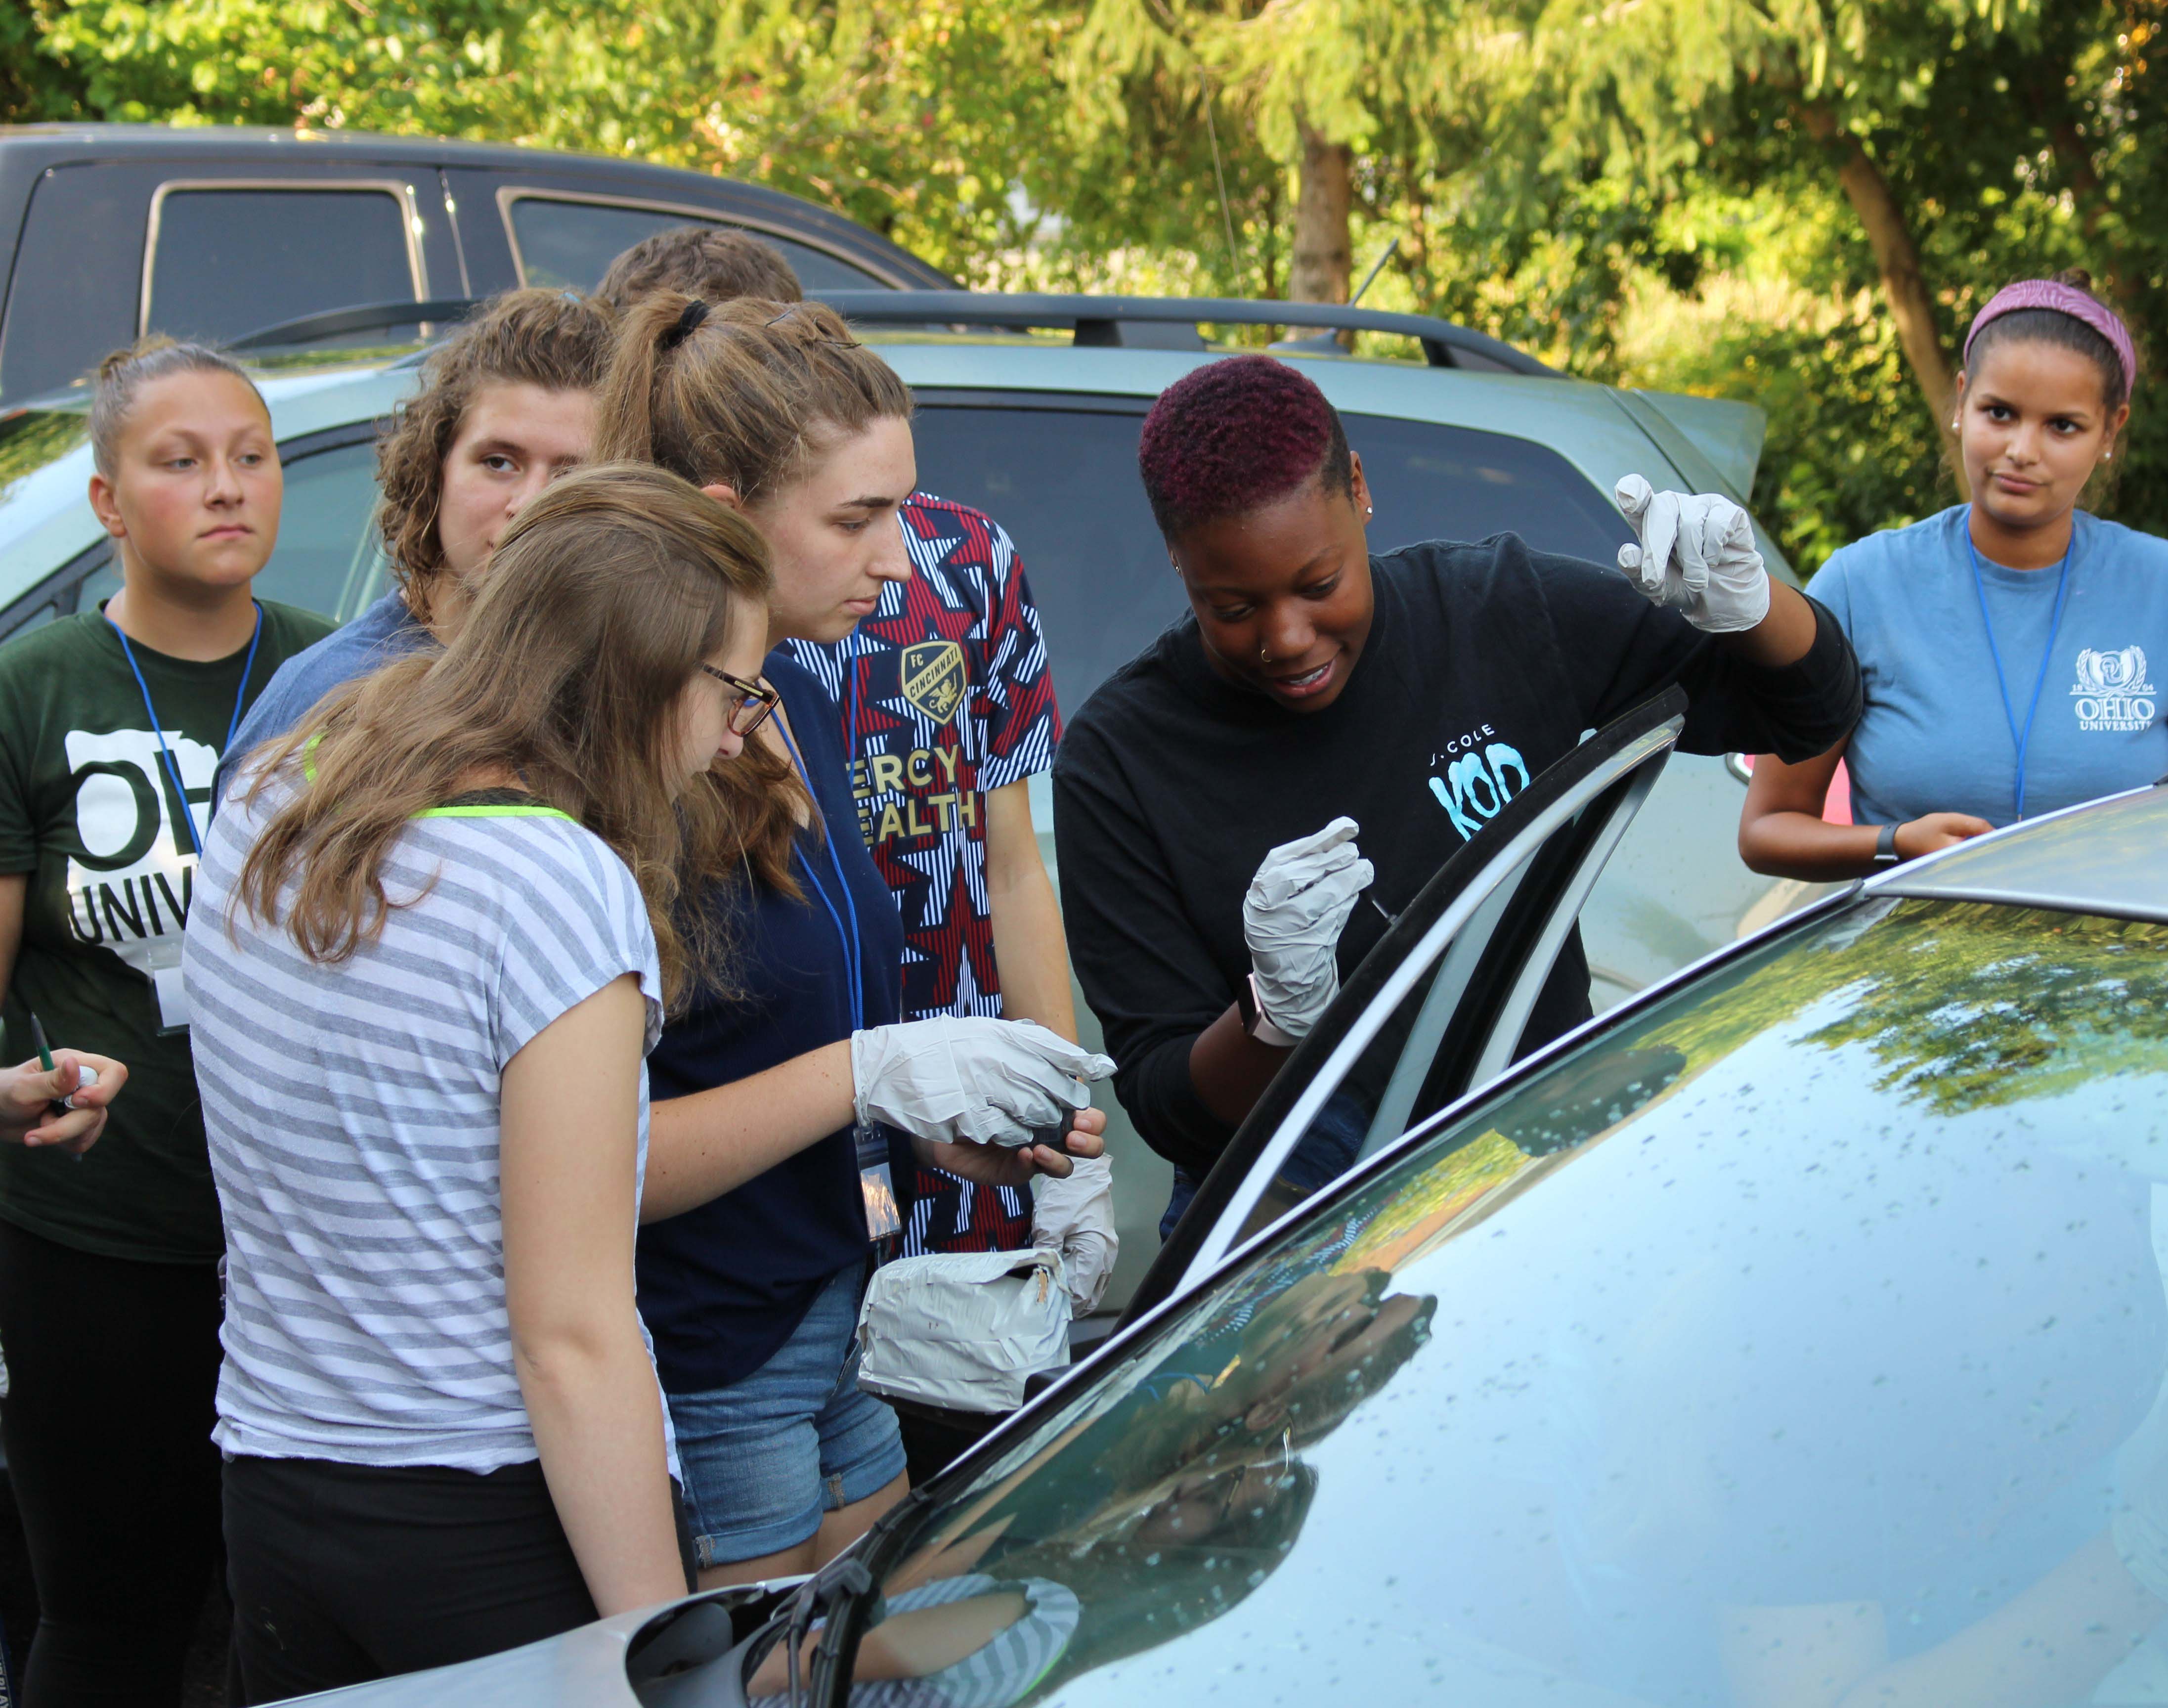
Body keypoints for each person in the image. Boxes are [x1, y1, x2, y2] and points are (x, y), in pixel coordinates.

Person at [184, 464, 778, 1698]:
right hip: (488, 1523)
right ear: (632, 676)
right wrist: (664, 1655)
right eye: (731, 689)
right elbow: (570, 1338)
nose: (740, 732)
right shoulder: (549, 884)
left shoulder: (274, 785)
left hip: (277, 1487)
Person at [1052, 354, 1862, 1234]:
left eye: (1320, 585)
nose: (1286, 638)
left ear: (1357, 490)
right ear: (1176, 556)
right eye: (1232, 607)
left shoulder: (1491, 612)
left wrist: (1756, 608)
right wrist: (1274, 1018)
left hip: (1537, 1149)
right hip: (1303, 1221)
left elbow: (1807, 711)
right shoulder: (1119, 763)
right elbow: (1169, 1105)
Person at [594, 292, 1113, 1588]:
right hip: (718, 1350)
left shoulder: (792, 697)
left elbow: (784, 1030)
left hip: (836, 1307)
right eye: (854, 517)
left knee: (913, 1633)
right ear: (722, 511)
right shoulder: (626, 761)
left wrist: (957, 1128)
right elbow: (599, 1162)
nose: (896, 562)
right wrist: (868, 1073)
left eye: (900, 505)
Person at [0, 336, 331, 1706]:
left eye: (250, 455)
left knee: (284, 1625)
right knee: (111, 1616)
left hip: (318, 1243)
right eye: (178, 460)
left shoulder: (341, 677)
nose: (227, 486)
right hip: (104, 1237)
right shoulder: (39, 683)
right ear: (106, 503)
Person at [1739, 271, 2166, 878]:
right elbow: (1766, 829)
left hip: (2119, 970)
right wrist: (1895, 841)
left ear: (2111, 431)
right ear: (1962, 402)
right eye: (2000, 412)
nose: (2023, 448)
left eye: (2062, 425)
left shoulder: (2159, 586)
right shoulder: (1861, 585)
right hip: (1913, 967)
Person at [213, 287, 615, 803]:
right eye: (499, 462)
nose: (531, 503)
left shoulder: (630, 694)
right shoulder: (329, 699)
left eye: (571, 474)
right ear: (435, 469)